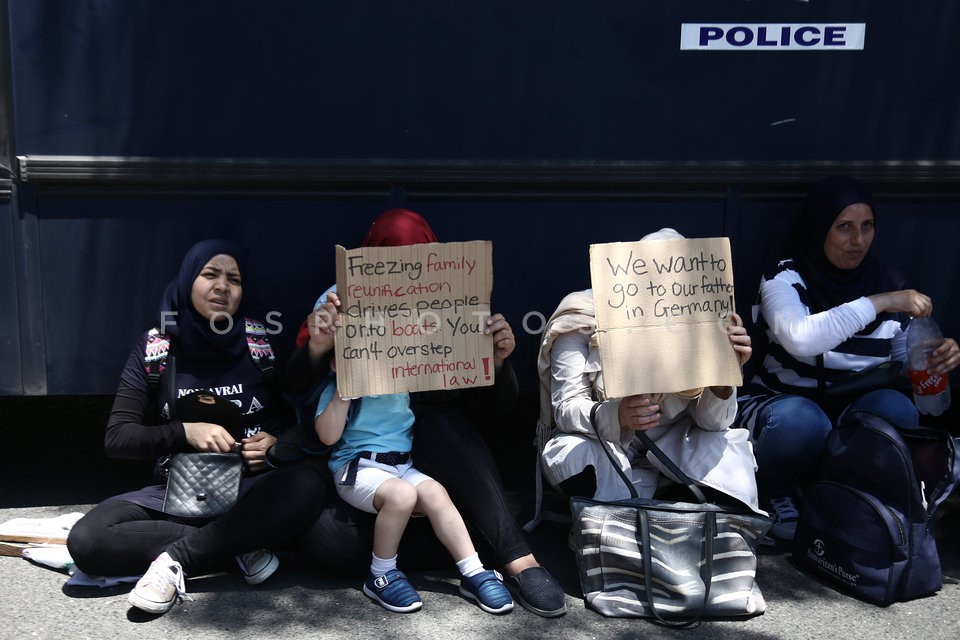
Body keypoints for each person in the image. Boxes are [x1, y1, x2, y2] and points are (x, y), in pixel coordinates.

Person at [287, 208, 567, 618]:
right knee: (330, 542)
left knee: (439, 428)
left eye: (412, 259)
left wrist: (498, 361)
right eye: (389, 258)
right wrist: (318, 344)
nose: (401, 274)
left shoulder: (453, 299)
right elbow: (298, 388)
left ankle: (515, 557)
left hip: (437, 448)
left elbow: (494, 410)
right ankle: (448, 547)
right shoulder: (339, 301)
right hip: (360, 452)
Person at [66, 239, 328, 614]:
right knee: (88, 540)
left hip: (250, 490)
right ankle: (239, 545)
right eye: (210, 274)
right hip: (179, 491)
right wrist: (184, 432)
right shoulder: (157, 346)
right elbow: (118, 437)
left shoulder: (258, 341)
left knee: (308, 482)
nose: (222, 286)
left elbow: (296, 417)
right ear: (188, 280)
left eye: (233, 279)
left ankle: (178, 560)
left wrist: (275, 442)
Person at [734, 175, 960, 540]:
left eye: (867, 227)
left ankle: (847, 497)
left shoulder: (888, 280)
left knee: (896, 409)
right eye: (844, 228)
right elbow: (799, 338)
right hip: (782, 408)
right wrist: (881, 302)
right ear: (820, 228)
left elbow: (916, 382)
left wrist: (936, 359)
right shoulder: (785, 276)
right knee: (801, 421)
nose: (858, 241)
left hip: (850, 412)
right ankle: (774, 492)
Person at [538, 228, 763, 516]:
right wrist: (618, 414)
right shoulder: (581, 316)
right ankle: (609, 529)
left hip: (673, 452)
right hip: (607, 445)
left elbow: (713, 425)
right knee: (573, 454)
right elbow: (566, 409)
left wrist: (723, 380)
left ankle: (710, 528)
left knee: (731, 448)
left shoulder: (707, 317)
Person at [313, 319, 513, 615]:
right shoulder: (340, 387)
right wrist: (345, 387)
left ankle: (473, 571)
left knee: (435, 492)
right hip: (358, 468)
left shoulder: (401, 382)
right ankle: (381, 574)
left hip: (401, 466)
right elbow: (327, 435)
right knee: (402, 495)